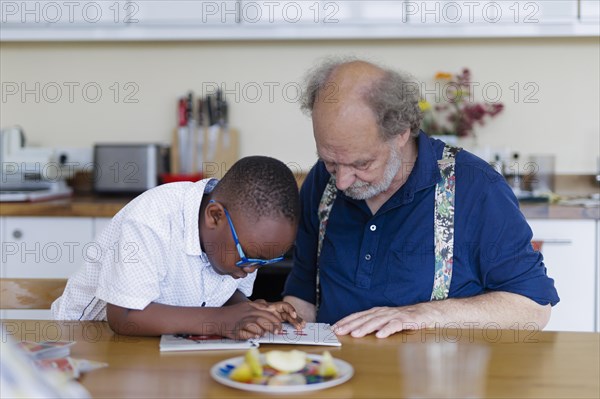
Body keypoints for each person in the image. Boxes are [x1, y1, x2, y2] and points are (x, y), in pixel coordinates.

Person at [282, 58, 559, 338]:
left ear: (401, 133)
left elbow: (534, 307)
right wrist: (283, 318)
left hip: (438, 378)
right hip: (335, 373)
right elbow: (304, 294)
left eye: (361, 164)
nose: (341, 181)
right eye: (330, 162)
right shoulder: (321, 181)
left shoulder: (476, 186)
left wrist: (425, 314)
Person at [52, 156, 304, 339]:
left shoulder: (243, 238)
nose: (250, 269)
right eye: (248, 257)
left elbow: (221, 295)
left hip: (156, 347)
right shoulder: (152, 219)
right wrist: (220, 321)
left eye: (263, 263)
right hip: (85, 339)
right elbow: (125, 317)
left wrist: (252, 312)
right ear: (214, 216)